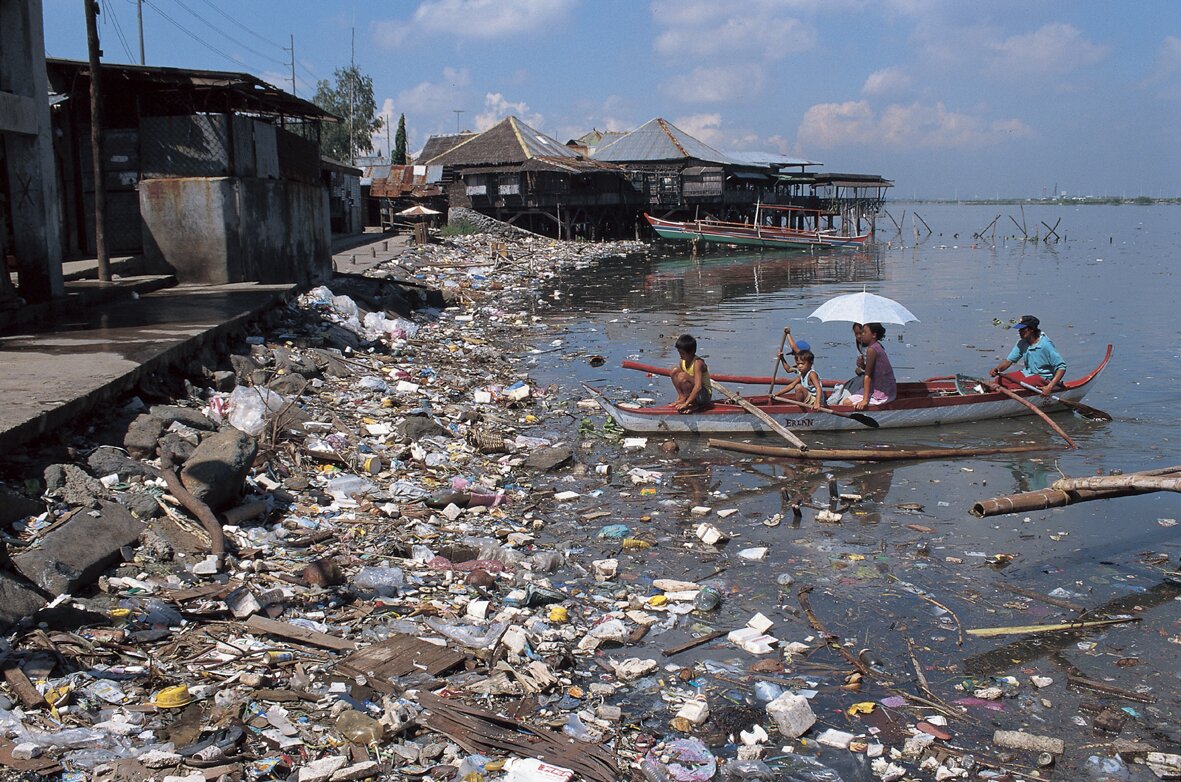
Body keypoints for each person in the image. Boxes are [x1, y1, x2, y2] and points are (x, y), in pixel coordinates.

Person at [989, 315, 1066, 395]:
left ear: (1031, 330)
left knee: (1014, 387)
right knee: (999, 381)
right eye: (1019, 329)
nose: (1019, 331)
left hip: (1042, 377)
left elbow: (1061, 367)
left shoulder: (1045, 345)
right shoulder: (1022, 342)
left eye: (1022, 329)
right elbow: (1009, 361)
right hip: (1027, 373)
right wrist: (997, 369)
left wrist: (1049, 387)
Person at [844, 322, 897, 410]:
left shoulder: (872, 349)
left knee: (846, 404)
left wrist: (865, 400)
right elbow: (871, 369)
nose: (862, 335)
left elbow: (867, 376)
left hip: (882, 391)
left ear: (873, 335)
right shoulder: (876, 346)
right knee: (846, 402)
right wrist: (862, 365)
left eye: (864, 332)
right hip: (879, 386)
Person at [671, 334, 711, 413]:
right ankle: (682, 397)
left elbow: (698, 386)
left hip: (704, 396)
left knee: (683, 376)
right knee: (674, 371)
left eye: (682, 353)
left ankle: (694, 404)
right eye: (679, 353)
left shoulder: (698, 363)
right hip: (694, 392)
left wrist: (687, 403)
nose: (680, 355)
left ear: (691, 352)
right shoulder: (682, 361)